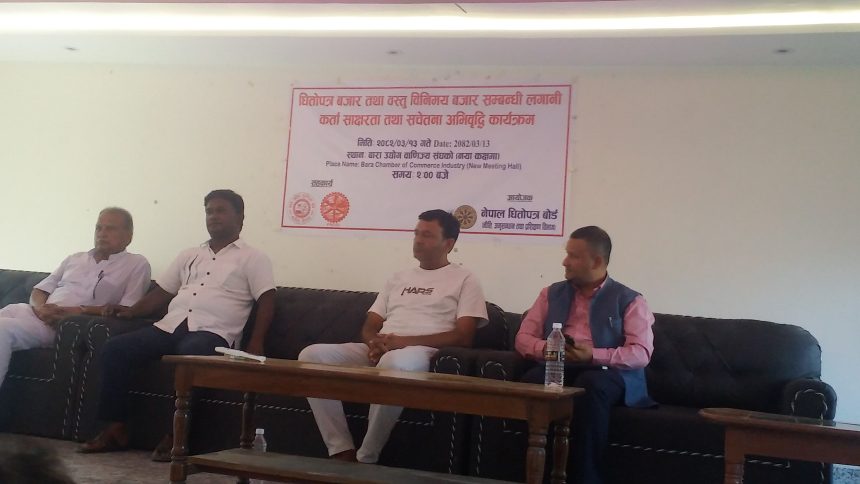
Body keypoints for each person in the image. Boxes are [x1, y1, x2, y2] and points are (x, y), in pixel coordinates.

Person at [79, 189, 276, 460]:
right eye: (209, 211)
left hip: (214, 332)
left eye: (221, 211)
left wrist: (256, 342)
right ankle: (116, 429)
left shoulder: (253, 258)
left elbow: (267, 299)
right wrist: (132, 312)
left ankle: (178, 435)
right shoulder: (189, 254)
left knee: (190, 353)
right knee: (116, 349)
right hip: (170, 326)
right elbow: (162, 292)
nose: (213, 216)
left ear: (240, 217)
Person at [298, 209, 487, 464]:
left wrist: (401, 344)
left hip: (423, 352)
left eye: (428, 235)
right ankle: (341, 449)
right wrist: (374, 342)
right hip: (383, 347)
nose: (418, 240)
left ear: (449, 243)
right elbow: (371, 325)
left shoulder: (465, 279)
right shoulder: (398, 278)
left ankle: (366, 457)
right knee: (310, 356)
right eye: (416, 233)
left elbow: (464, 337)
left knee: (393, 362)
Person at [515, 226, 655, 484]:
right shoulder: (550, 293)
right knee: (532, 381)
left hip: (607, 373)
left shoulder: (630, 300)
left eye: (573, 256)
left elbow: (640, 353)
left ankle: (586, 479)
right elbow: (523, 338)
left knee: (590, 384)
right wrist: (548, 349)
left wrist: (593, 355)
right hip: (559, 364)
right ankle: (532, 476)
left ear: (597, 261)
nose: (564, 262)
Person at [0, 207, 151, 389]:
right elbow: (40, 290)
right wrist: (40, 308)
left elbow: (127, 310)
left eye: (110, 228)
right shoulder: (75, 259)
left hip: (63, 325)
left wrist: (78, 311)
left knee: (3, 329)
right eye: (98, 228)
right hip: (33, 312)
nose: (102, 234)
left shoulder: (136, 264)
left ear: (129, 236)